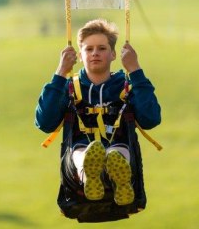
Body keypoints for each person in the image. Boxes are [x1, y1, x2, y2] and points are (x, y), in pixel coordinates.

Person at [35, 19, 161, 222]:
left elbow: (151, 119)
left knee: (116, 153)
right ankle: (88, 175)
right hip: (76, 162)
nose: (95, 53)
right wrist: (60, 72)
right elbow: (45, 122)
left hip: (121, 149)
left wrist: (135, 70)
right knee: (82, 152)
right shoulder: (67, 88)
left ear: (113, 54)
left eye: (102, 48)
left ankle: (118, 179)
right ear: (79, 55)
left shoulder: (127, 86)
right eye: (89, 49)